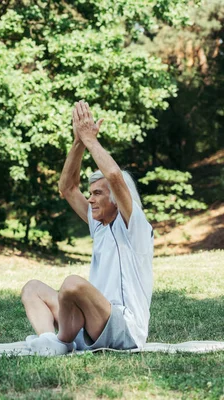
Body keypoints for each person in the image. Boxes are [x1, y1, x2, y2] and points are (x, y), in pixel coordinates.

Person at [20, 101, 154, 356]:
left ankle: (61, 341)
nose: (90, 199)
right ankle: (51, 340)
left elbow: (114, 175)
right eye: (90, 193)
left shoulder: (136, 227)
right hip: (92, 322)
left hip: (124, 329)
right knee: (32, 289)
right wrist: (78, 142)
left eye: (97, 193)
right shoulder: (100, 225)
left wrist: (91, 140)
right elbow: (67, 188)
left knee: (72, 284)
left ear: (116, 198)